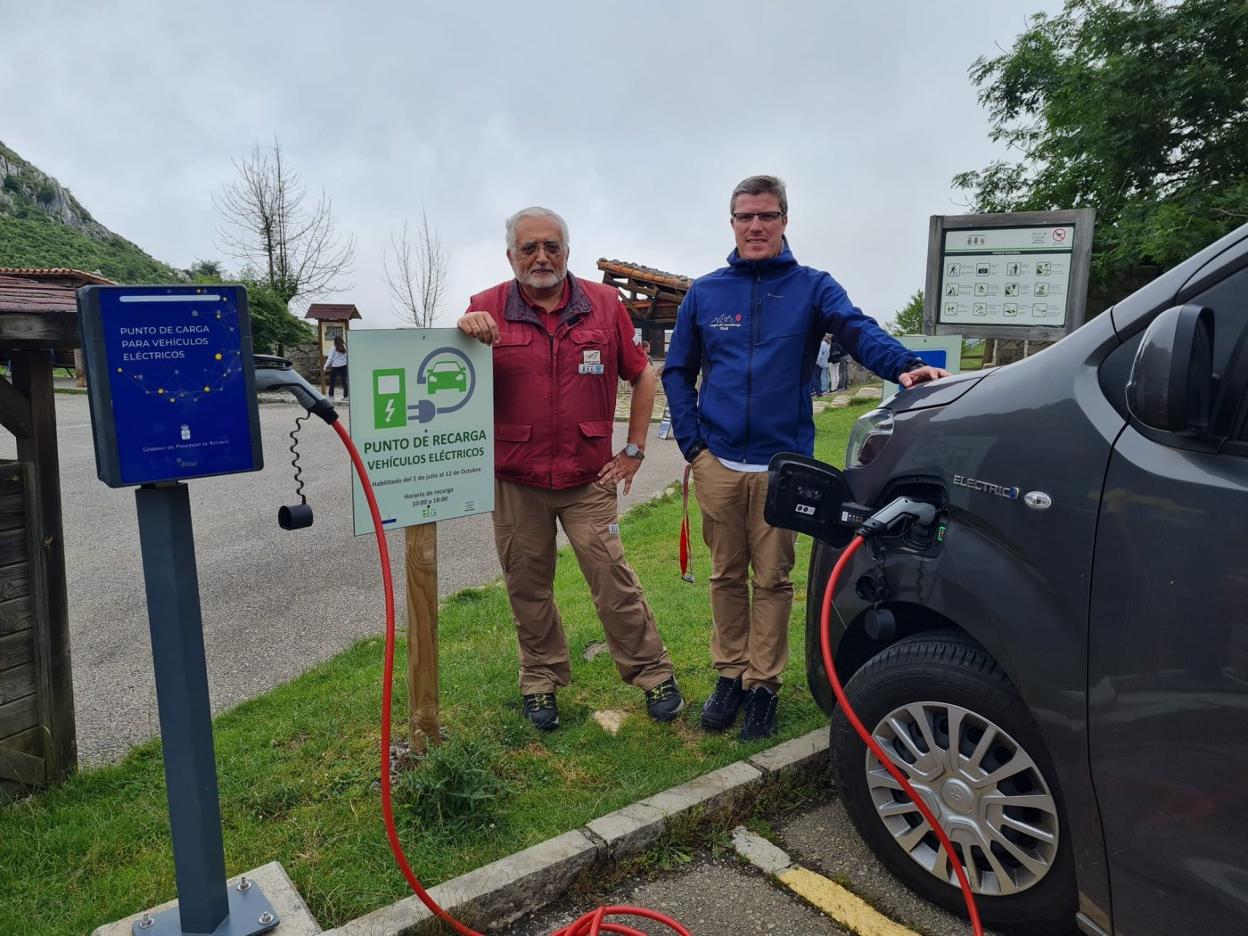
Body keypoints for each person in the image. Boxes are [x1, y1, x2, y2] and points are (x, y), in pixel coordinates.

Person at [661, 175, 949, 741]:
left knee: (772, 579)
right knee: (724, 575)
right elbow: (677, 370)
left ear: (785, 221)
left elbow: (858, 329)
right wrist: (694, 446)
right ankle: (729, 675)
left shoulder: (812, 288)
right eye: (745, 217)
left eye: (767, 216)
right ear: (733, 223)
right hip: (717, 462)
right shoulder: (706, 292)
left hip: (781, 468)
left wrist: (902, 364)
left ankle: (763, 684)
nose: (756, 226)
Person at [457, 206, 684, 730]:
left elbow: (644, 377)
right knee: (526, 585)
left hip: (588, 481)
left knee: (613, 580)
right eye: (529, 247)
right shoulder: (484, 308)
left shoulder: (604, 306)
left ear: (567, 251)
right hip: (516, 482)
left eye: (551, 246)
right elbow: (454, 375)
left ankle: (652, 672)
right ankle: (541, 679)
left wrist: (633, 450)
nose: (541, 257)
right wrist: (462, 332)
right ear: (510, 254)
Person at [323, 335, 348, 400]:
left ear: (335, 340)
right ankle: (346, 396)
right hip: (344, 366)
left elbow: (330, 359)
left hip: (335, 366)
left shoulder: (333, 347)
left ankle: (331, 396)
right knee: (344, 381)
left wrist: (325, 366)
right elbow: (347, 357)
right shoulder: (345, 346)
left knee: (332, 381)